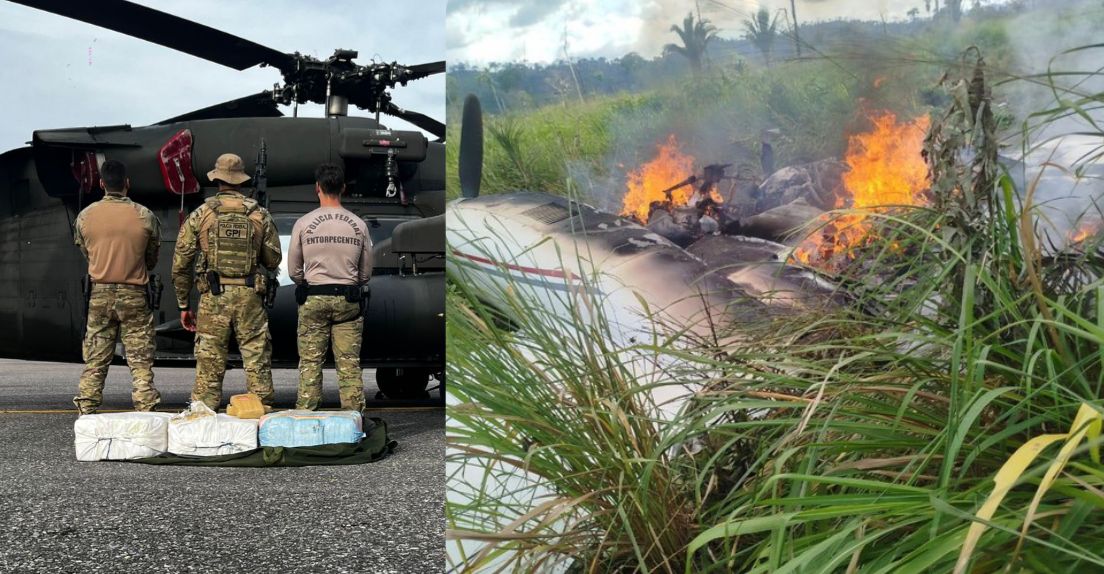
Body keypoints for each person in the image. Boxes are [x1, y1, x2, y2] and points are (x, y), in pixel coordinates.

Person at [172, 153, 281, 411]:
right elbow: (273, 259)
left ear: (217, 179)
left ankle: (204, 420)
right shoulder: (259, 214)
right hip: (249, 296)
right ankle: (261, 416)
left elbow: (180, 263)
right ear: (241, 181)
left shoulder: (201, 214)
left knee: (209, 363)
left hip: (213, 296)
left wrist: (183, 304)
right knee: (256, 360)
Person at [72, 160, 162, 414]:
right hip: (134, 293)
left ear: (101, 183)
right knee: (140, 358)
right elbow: (152, 257)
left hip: (99, 292)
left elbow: (86, 251)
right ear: (127, 184)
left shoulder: (86, 216)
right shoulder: (144, 215)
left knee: (96, 357)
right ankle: (145, 408)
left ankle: (87, 407)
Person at [288, 162, 372, 412]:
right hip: (348, 300)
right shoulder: (359, 225)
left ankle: (306, 415)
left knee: (311, 363)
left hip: (314, 298)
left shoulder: (303, 223)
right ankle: (354, 419)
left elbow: (294, 270)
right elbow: (366, 273)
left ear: (318, 188)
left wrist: (306, 281)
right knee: (349, 364)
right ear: (343, 188)